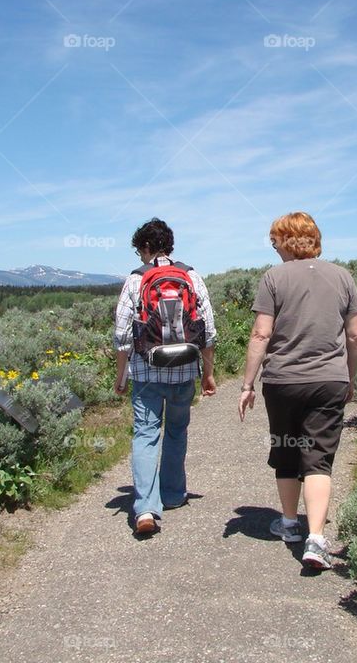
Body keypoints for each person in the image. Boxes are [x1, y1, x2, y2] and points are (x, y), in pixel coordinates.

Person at [237, 212, 357, 569]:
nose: (273, 245)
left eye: (275, 239)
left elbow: (261, 334)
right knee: (318, 458)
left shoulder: (273, 278)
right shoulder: (343, 276)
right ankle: (317, 540)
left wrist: (247, 384)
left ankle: (290, 524)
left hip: (282, 381)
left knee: (287, 448)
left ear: (290, 240)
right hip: (329, 380)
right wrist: (349, 377)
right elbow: (354, 335)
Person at [114, 218, 217, 535]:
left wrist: (121, 376)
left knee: (146, 434)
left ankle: (145, 509)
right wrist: (208, 374)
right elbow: (209, 332)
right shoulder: (191, 276)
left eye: (139, 250)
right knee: (176, 431)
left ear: (145, 247)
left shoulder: (135, 281)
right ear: (169, 246)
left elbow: (121, 337)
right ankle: (173, 495)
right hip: (184, 369)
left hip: (147, 371)